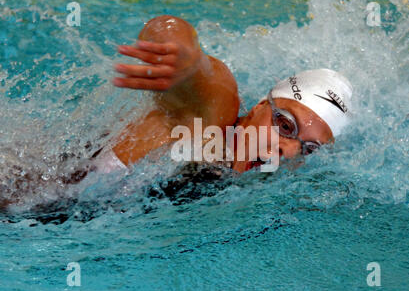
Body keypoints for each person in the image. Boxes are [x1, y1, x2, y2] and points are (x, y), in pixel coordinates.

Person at [107, 15, 353, 174]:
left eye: (308, 149)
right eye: (286, 125)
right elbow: (209, 77)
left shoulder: (248, 181)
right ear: (258, 107)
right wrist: (184, 58)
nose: (288, 152)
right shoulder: (213, 120)